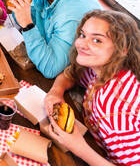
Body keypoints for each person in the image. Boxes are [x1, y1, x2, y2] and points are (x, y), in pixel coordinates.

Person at [44, 10, 140, 166]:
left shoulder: (115, 109)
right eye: (83, 35)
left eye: (97, 40)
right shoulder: (102, 70)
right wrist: (56, 92)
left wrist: (77, 147)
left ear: (122, 49)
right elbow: (70, 74)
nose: (81, 43)